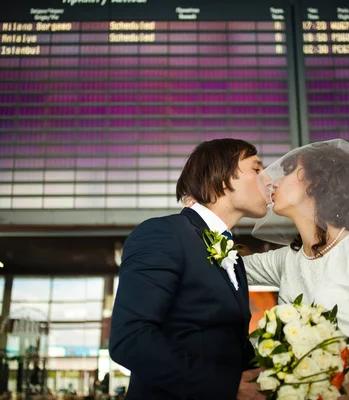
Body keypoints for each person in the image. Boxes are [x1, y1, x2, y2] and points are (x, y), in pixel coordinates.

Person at [244, 139, 349, 400]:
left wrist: (334, 394)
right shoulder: (286, 260)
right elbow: (223, 266)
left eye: (290, 170)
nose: (274, 182)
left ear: (315, 183)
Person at [109, 138, 269, 400]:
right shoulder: (163, 233)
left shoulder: (234, 258)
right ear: (222, 179)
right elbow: (130, 338)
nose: (268, 180)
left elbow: (228, 344)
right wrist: (226, 386)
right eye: (257, 169)